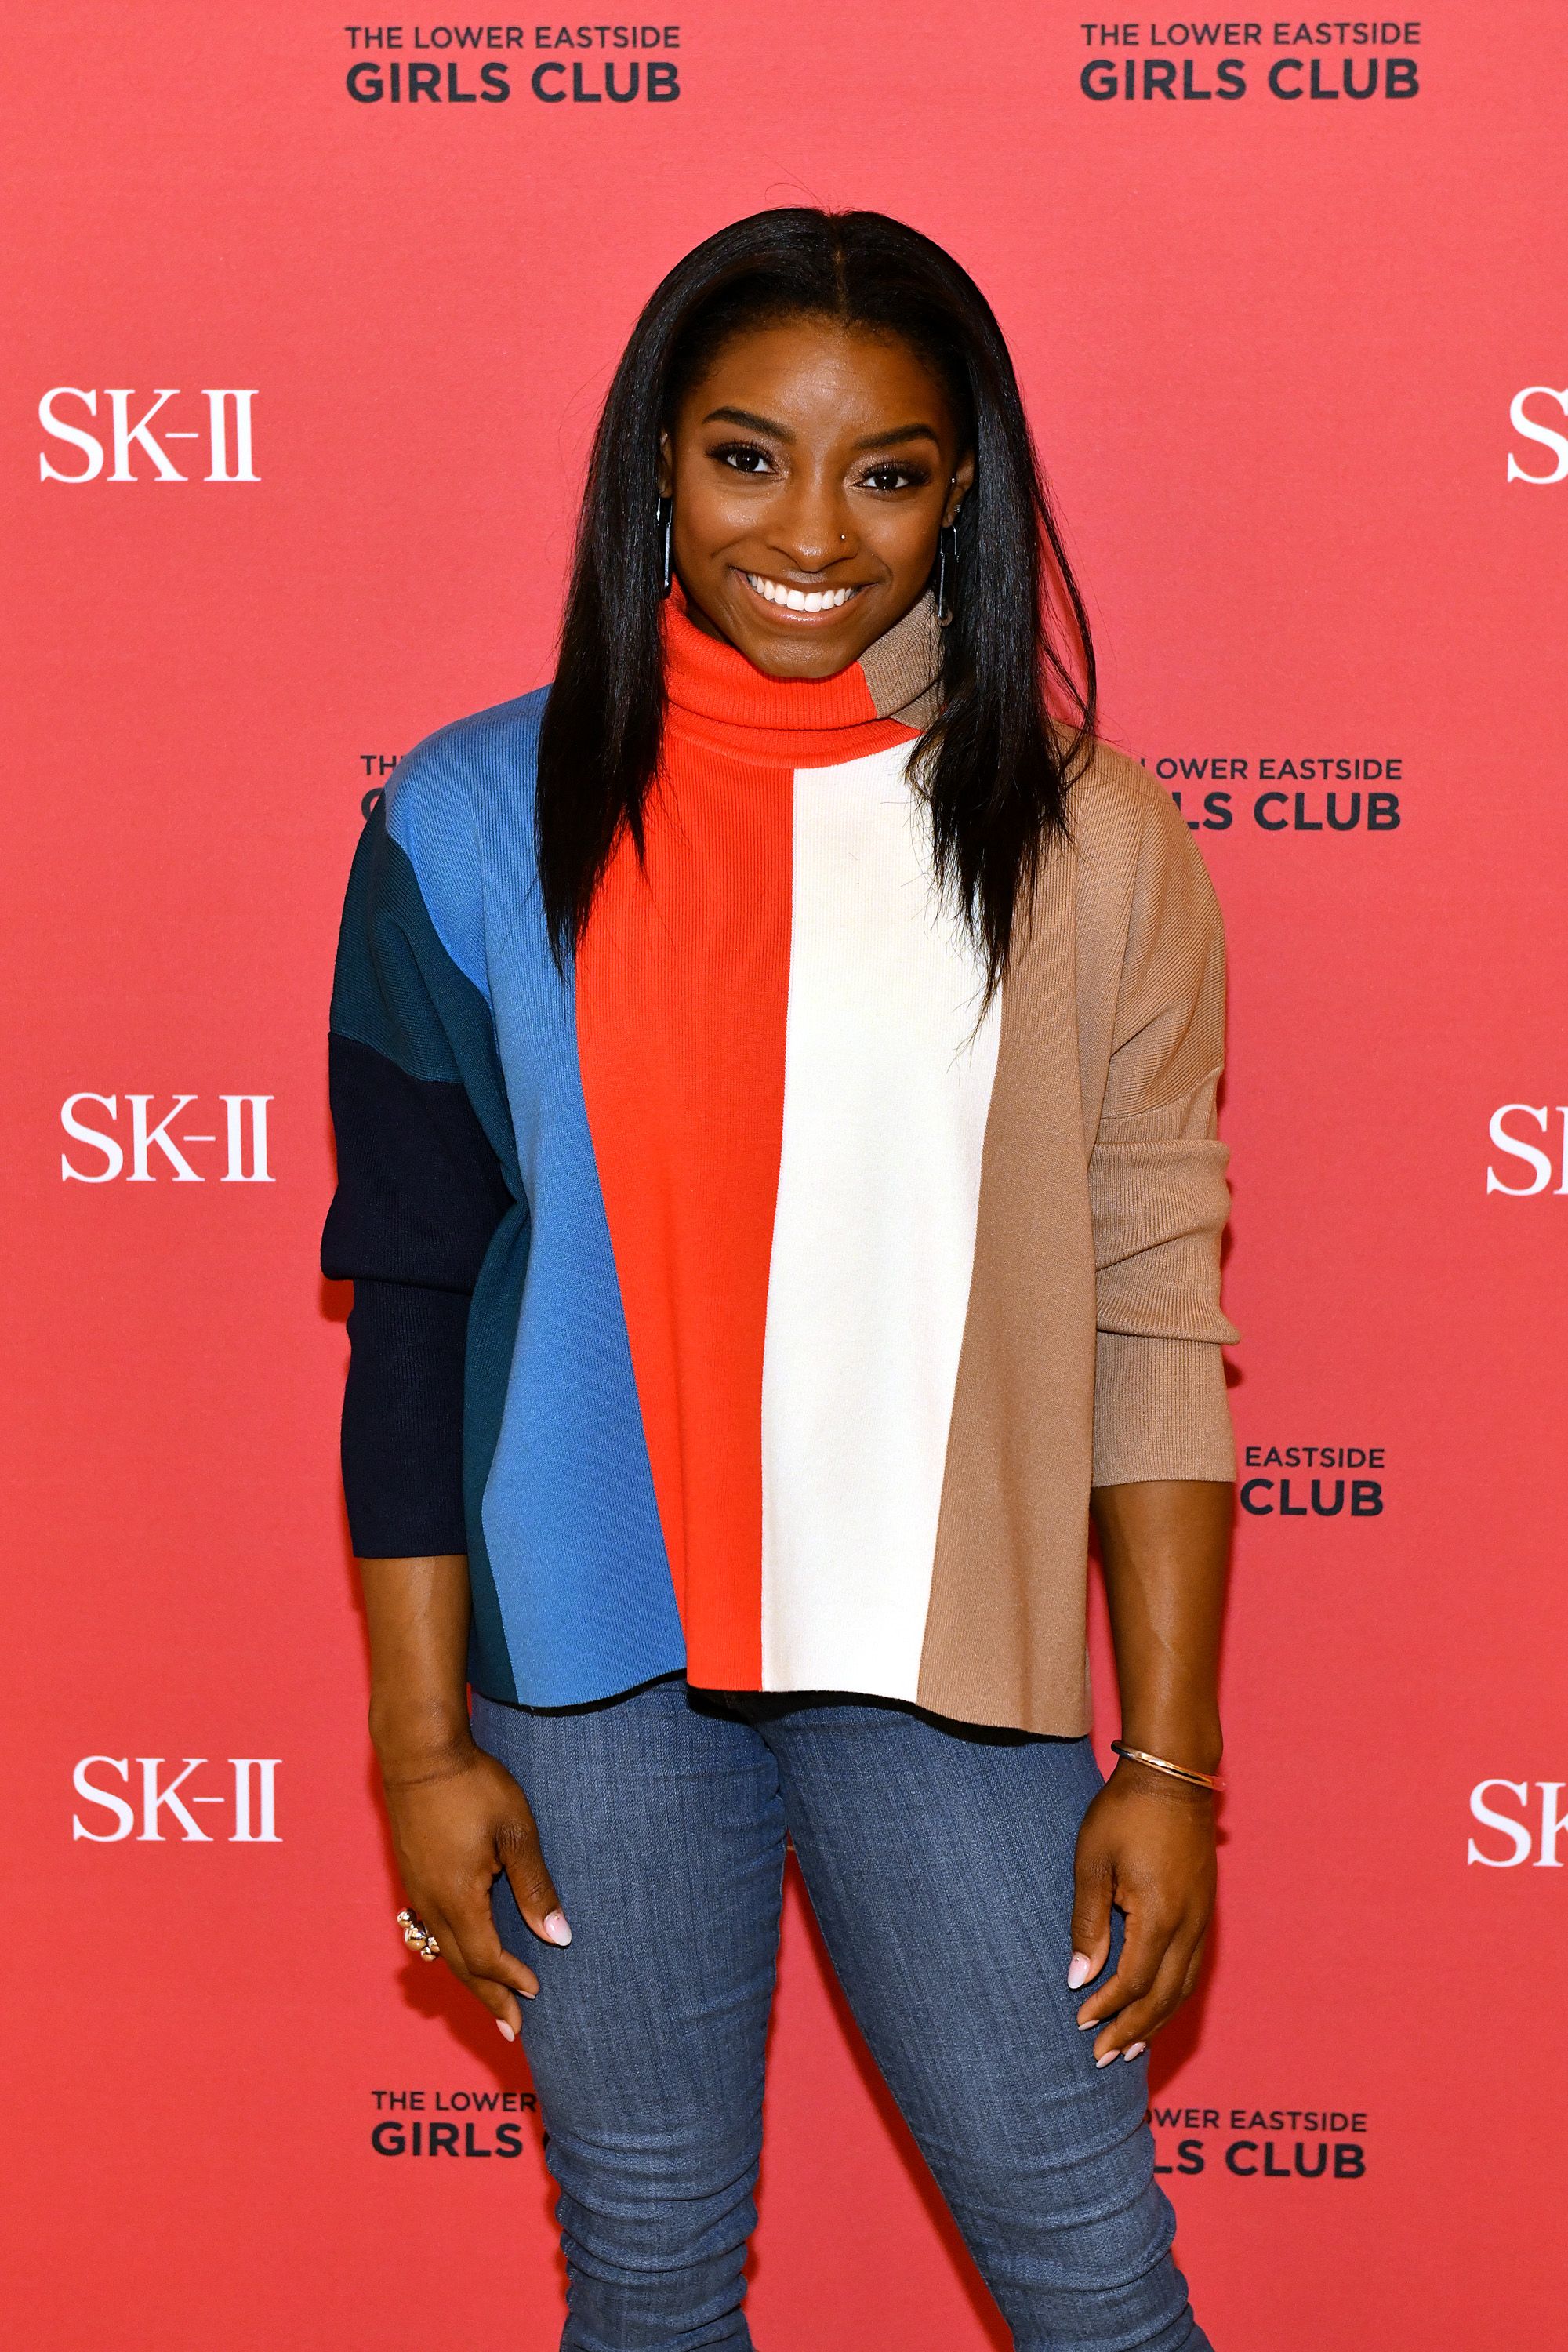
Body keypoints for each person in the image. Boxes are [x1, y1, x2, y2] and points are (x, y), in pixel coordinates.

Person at [321, 206, 1237, 2352]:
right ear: (658, 461)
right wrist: (414, 1750)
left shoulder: (1097, 846)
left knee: (1094, 2280)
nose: (812, 528)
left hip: (954, 1673)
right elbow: (420, 1303)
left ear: (965, 492)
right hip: (583, 1678)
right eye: (748, 456)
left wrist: (1171, 1765)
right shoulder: (464, 817)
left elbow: (1154, 1313)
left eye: (889, 470)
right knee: (644, 2269)